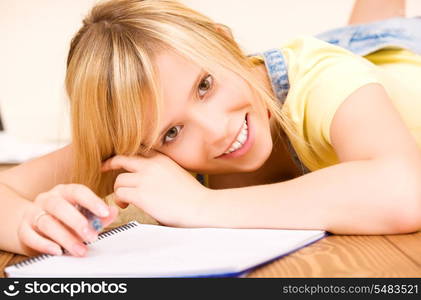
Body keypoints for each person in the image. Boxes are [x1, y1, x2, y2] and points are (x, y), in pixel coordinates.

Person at [0, 0, 420, 257]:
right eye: (171, 132)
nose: (216, 130)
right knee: (367, 30)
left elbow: (404, 193)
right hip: (363, 58)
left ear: (226, 43)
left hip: (403, 60)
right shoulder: (140, 146)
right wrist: (24, 222)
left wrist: (201, 204)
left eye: (204, 86)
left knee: (382, 35)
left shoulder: (319, 77)